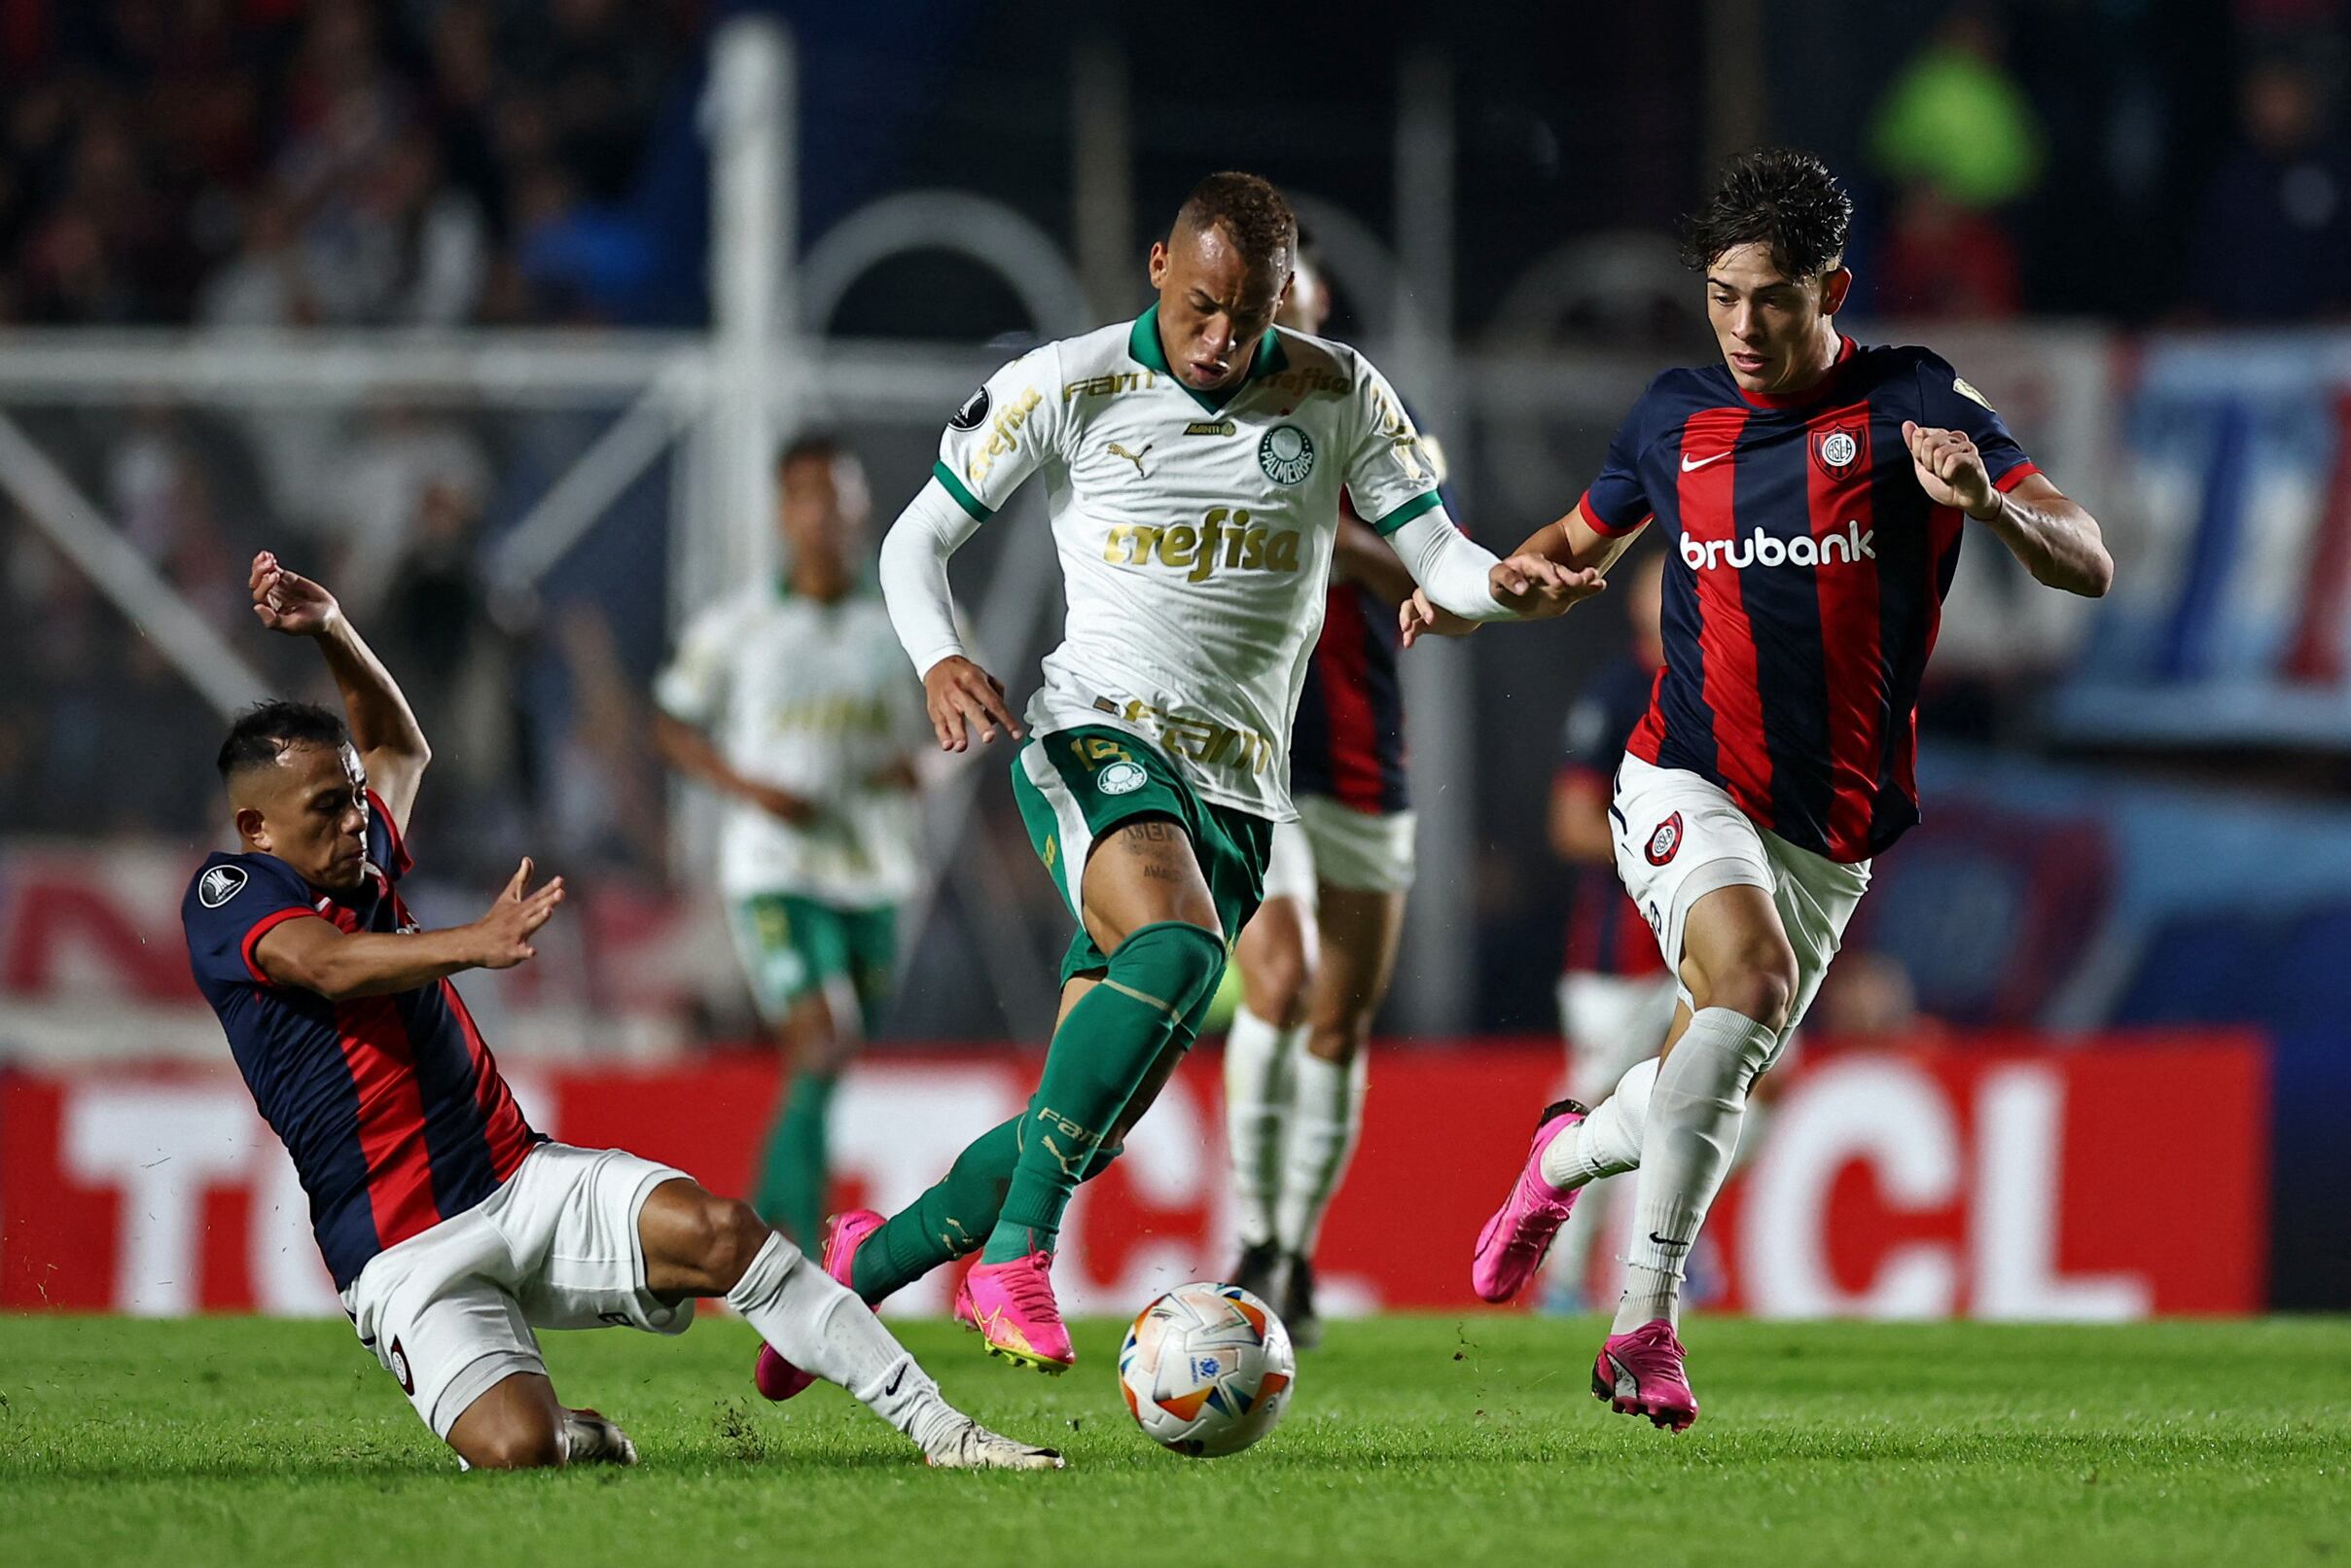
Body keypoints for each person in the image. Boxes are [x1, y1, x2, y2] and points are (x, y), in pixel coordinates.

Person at [754, 170, 1588, 1391]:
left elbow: (1437, 555)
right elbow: (914, 538)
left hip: (1240, 792)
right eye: (1200, 306)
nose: (1220, 338)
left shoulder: (1334, 388)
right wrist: (938, 655)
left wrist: (1496, 585)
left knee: (1079, 1125)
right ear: (1157, 266)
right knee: (1187, 955)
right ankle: (1015, 1259)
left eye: (1246, 316)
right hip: (1092, 736)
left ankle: (856, 1273)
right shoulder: (1068, 381)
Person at [1412, 149, 2112, 1431]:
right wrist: (1481, 591)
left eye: (1771, 299)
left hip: (1832, 834)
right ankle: (1642, 1332)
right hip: (1681, 774)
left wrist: (1995, 514)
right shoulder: (1673, 418)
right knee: (1743, 988)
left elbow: (2089, 559)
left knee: (1714, 1061)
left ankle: (1560, 1159)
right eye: (1723, 296)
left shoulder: (1914, 402)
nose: (1741, 325)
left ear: (1831, 286)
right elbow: (1570, 545)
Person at [182, 550, 1059, 1473]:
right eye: (329, 806)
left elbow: (401, 750)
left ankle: (945, 1434)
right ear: (256, 827)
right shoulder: (228, 894)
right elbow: (324, 966)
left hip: (516, 1176)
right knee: (519, 1450)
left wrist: (331, 630)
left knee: (725, 1232)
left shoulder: (358, 862)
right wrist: (468, 944)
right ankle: (564, 1427)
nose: (358, 818)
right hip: (397, 1248)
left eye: (355, 799)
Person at [1222, 237, 1428, 1349]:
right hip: (1249, 749)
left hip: (1360, 755)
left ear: (1319, 310)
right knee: (1284, 976)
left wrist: (1329, 537)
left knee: (1340, 1022)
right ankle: (1252, 1233)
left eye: (1284, 314)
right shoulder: (1203, 422)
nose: (1269, 340)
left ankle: (1295, 1248)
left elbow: (1424, 575)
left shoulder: (1377, 425)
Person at [654, 436, 924, 1252]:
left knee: (828, 1060)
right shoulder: (738, 626)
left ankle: (760, 1239)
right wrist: (748, 789)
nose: (820, 513)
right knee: (821, 1035)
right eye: (803, 495)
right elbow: (671, 722)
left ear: (859, 507)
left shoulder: (902, 623)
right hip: (775, 869)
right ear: (782, 512)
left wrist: (929, 771)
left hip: (874, 869)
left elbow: (963, 722)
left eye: (833, 495)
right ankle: (787, 1245)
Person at [1543, 549, 1674, 1312]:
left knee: (1765, 1086)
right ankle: (1562, 1283)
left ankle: (1674, 1236)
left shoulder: (1720, 682)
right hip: (1616, 956)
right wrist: (1679, 854)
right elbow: (1570, 826)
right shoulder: (1619, 691)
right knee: (1595, 1107)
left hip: (1701, 944)